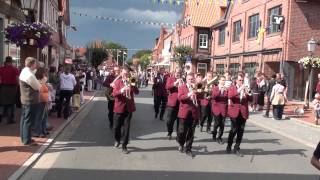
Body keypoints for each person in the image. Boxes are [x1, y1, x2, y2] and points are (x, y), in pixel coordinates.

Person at [112, 66, 139, 154]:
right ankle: (117, 139)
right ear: (121, 73)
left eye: (127, 73)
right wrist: (121, 90)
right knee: (116, 127)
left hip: (128, 108)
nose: (125, 75)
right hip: (119, 107)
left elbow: (136, 92)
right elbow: (114, 94)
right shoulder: (118, 82)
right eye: (124, 73)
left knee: (126, 128)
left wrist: (133, 84)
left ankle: (124, 146)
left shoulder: (132, 80)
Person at [226, 74, 252, 157]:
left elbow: (251, 100)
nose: (241, 82)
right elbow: (230, 96)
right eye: (240, 80)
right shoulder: (232, 88)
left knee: (241, 131)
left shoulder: (245, 89)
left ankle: (236, 147)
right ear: (236, 81)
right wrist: (240, 89)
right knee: (234, 130)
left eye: (242, 80)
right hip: (234, 112)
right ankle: (229, 145)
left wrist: (248, 93)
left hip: (243, 112)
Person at [177, 73, 200, 157]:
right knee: (182, 131)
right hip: (184, 112)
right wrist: (189, 94)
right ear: (186, 79)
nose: (191, 80)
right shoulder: (182, 87)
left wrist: (198, 91)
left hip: (193, 113)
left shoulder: (196, 87)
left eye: (192, 79)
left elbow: (201, 96)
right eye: (189, 79)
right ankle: (181, 143)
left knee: (191, 132)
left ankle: (188, 149)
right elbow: (180, 98)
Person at [19, 57, 41, 145]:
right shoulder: (30, 75)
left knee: (24, 119)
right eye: (35, 64)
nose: (36, 65)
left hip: (25, 99)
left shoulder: (24, 71)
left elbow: (32, 73)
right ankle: (27, 140)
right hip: (30, 100)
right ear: (32, 64)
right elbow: (37, 87)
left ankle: (23, 137)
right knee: (28, 121)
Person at [0, 56, 19, 124]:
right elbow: (17, 79)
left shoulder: (1, 69)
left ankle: (0, 115)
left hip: (3, 87)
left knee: (2, 103)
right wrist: (18, 85)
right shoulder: (15, 69)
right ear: (11, 62)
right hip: (12, 88)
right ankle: (10, 119)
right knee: (11, 104)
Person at [165, 68, 183, 139]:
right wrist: (175, 83)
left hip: (181, 103)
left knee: (180, 121)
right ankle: (170, 131)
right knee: (169, 120)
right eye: (177, 72)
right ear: (174, 72)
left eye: (179, 73)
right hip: (172, 103)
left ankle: (178, 135)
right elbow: (167, 87)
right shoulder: (170, 79)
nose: (178, 74)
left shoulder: (182, 80)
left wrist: (182, 84)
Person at [211, 76, 228, 144]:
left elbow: (228, 97)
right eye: (222, 80)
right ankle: (214, 134)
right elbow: (214, 96)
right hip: (216, 108)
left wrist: (226, 91)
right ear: (219, 81)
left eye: (224, 80)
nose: (223, 82)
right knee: (217, 123)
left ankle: (219, 137)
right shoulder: (215, 88)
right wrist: (220, 90)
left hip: (223, 108)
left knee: (222, 124)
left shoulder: (226, 89)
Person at [34, 67, 49, 138]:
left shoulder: (35, 80)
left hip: (39, 99)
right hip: (42, 99)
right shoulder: (44, 79)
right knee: (41, 116)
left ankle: (42, 131)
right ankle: (40, 132)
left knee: (40, 116)